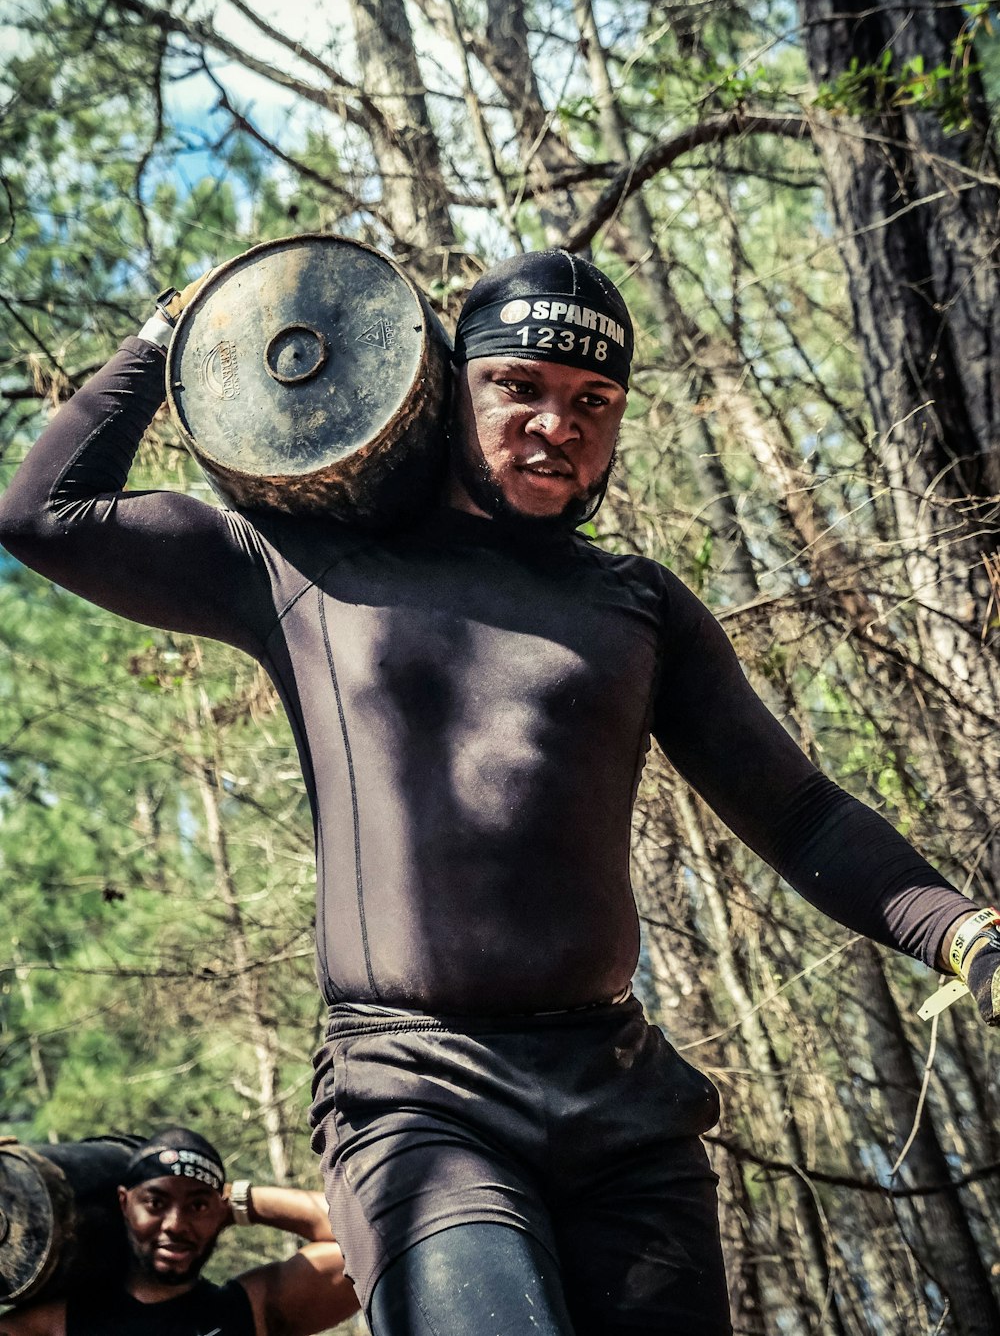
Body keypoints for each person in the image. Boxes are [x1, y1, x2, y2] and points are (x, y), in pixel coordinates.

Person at [0, 247, 997, 1336]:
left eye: (592, 400)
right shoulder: (299, 567)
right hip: (414, 1094)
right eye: (517, 385)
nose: (556, 421)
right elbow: (47, 513)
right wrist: (179, 321)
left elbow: (799, 812)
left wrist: (963, 934)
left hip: (622, 1104)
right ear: (440, 383)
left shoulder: (639, 607)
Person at [0, 1124, 359, 1336]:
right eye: (156, 1203)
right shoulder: (59, 1324)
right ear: (124, 1204)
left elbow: (368, 1232)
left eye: (197, 1205)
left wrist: (236, 1200)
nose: (176, 1224)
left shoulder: (250, 1311)